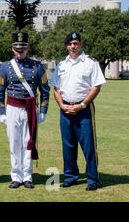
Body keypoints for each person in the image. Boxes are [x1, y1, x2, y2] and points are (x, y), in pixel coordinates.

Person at [50, 32, 105, 191]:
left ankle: (93, 179)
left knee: (88, 146)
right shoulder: (62, 64)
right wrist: (61, 104)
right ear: (66, 46)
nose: (72, 47)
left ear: (81, 44)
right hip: (65, 109)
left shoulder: (90, 63)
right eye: (70, 44)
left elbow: (96, 86)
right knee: (68, 145)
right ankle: (70, 177)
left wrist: (82, 105)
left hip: (84, 110)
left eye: (75, 43)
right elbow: (56, 88)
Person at [0, 31, 50, 189]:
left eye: (23, 48)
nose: (20, 52)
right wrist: (1, 112)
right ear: (13, 49)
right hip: (12, 108)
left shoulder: (37, 66)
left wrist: (44, 110)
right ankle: (16, 176)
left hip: (30, 108)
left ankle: (27, 176)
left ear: (28, 48)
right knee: (14, 143)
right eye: (17, 49)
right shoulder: (5, 67)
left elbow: (45, 90)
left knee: (28, 142)